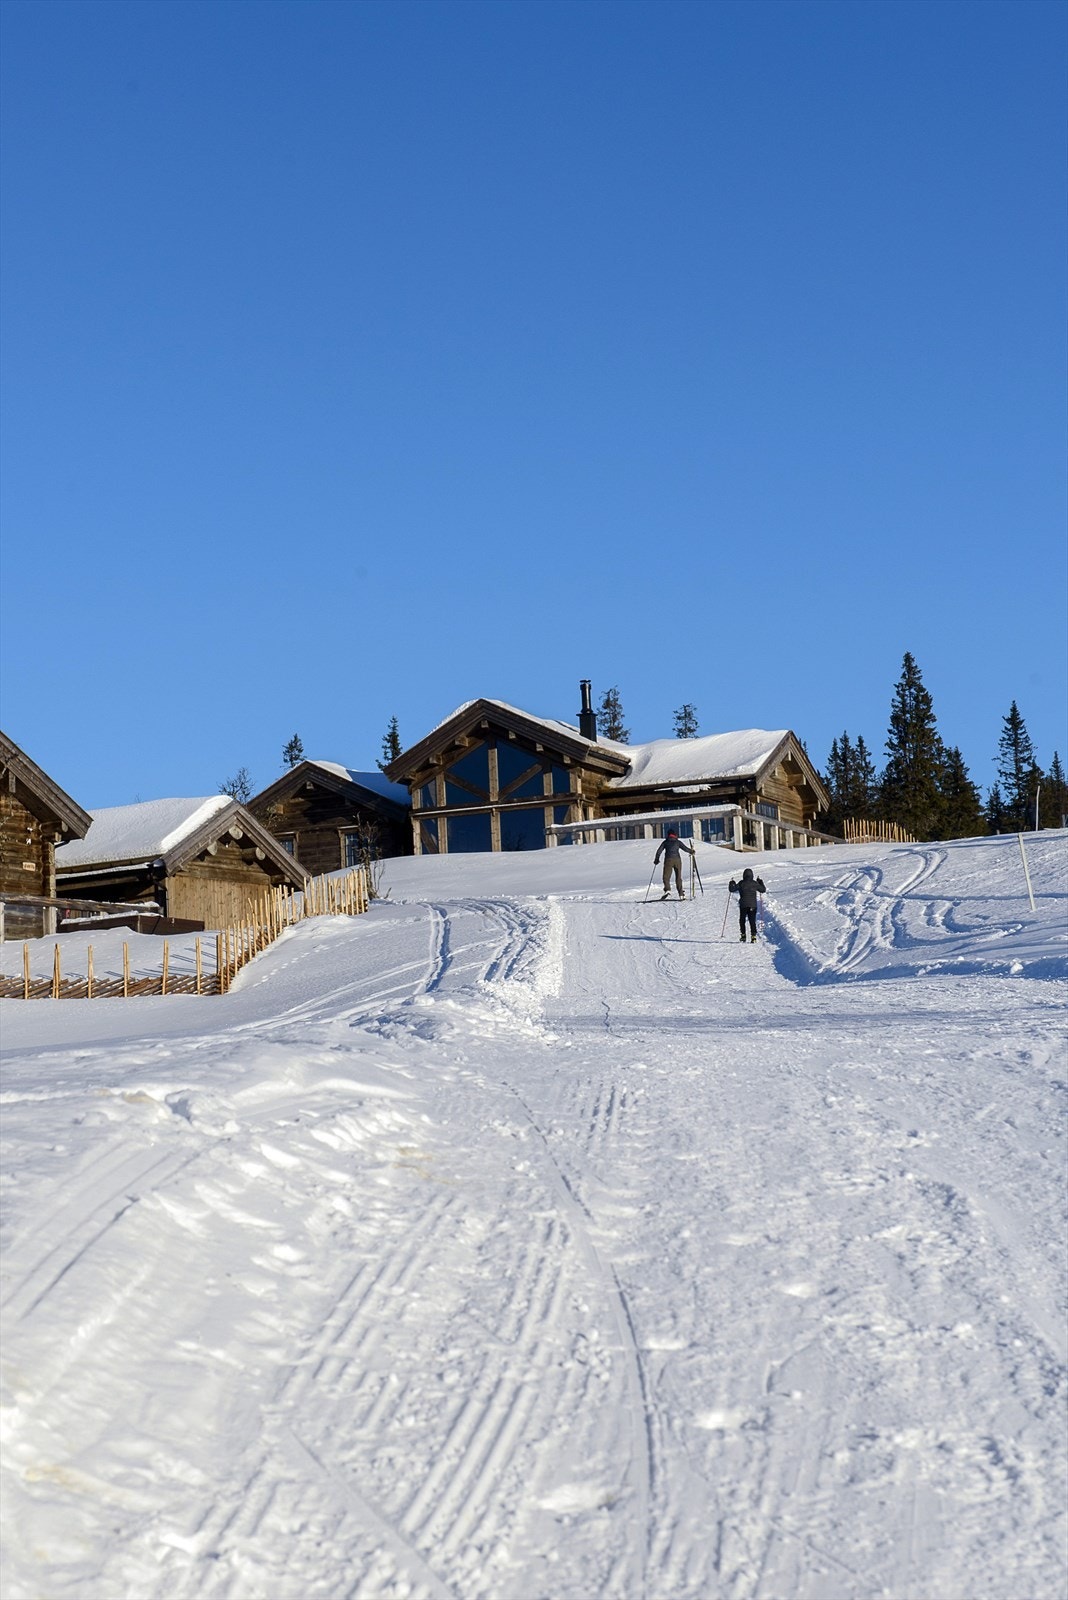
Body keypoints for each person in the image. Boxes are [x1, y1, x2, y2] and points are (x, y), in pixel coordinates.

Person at [653, 827, 695, 900]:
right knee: (678, 877)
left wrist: (656, 859)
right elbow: (685, 848)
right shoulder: (677, 842)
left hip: (668, 860)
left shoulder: (665, 842)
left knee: (666, 877)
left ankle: (667, 890)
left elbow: (659, 851)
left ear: (668, 834)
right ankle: (681, 894)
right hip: (677, 860)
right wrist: (691, 851)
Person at [728, 865, 766, 941]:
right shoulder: (755, 883)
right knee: (752, 920)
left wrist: (732, 883)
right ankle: (753, 936)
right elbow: (763, 890)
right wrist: (760, 882)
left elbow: (732, 889)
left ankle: (743, 936)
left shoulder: (741, 883)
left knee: (742, 920)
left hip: (743, 905)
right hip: (753, 905)